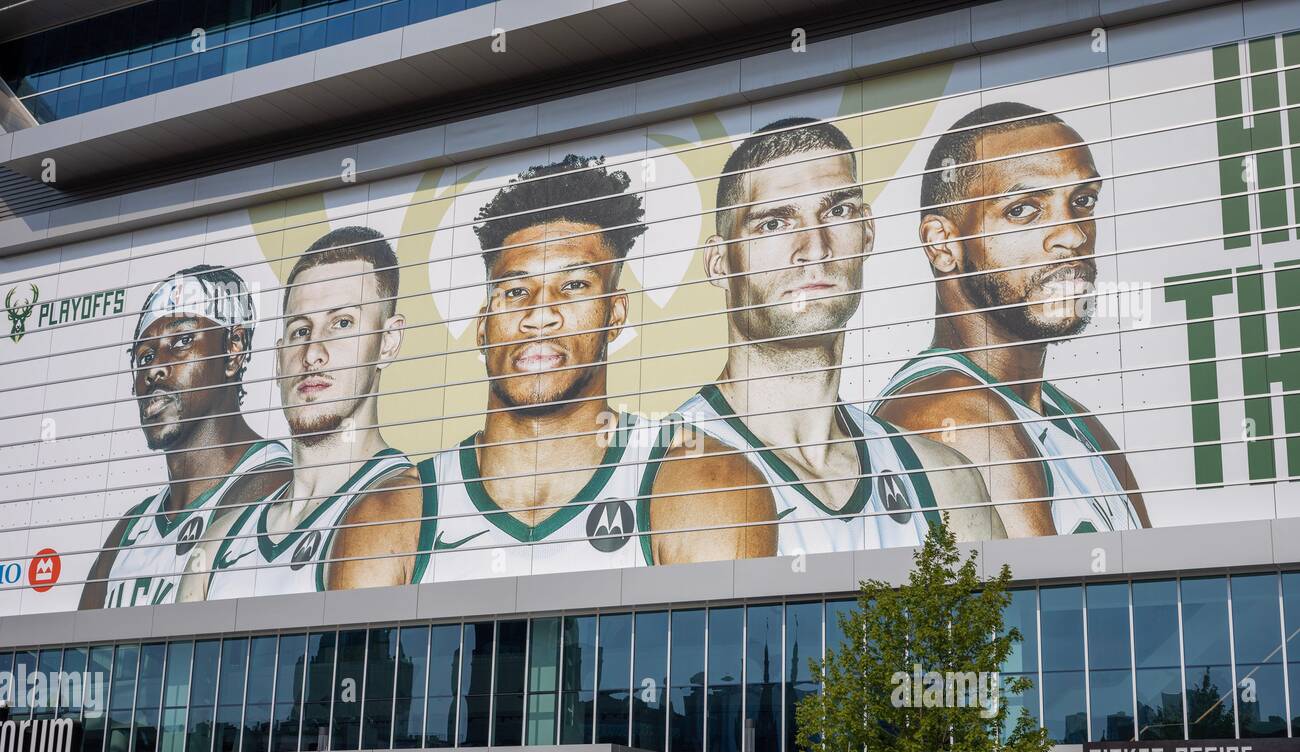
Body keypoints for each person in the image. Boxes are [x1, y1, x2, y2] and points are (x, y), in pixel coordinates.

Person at [412, 154, 777, 583]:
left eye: (572, 286)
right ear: (482, 327)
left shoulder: (703, 481)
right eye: (515, 291)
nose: (539, 315)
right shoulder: (396, 511)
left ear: (616, 313)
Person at [677, 117, 1002, 555]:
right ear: (719, 262)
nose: (815, 246)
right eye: (774, 223)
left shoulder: (943, 481)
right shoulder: (657, 473)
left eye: (838, 211)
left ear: (867, 231)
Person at [873, 102, 1149, 535]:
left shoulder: (1073, 420)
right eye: (1023, 209)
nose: (1073, 236)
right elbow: (1043, 602)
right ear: (942, 244)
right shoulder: (954, 418)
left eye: (1083, 201)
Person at [179, 227, 418, 599]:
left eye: (341, 324)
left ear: (388, 342)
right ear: (278, 359)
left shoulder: (411, 506)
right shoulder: (218, 542)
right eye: (300, 330)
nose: (312, 353)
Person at [80, 266, 289, 609]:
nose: (154, 369)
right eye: (144, 357)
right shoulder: (131, 529)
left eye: (180, 341)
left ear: (234, 349)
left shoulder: (276, 481)